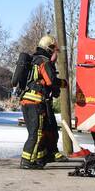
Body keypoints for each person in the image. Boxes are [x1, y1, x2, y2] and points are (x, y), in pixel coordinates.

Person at [19, 34, 64, 169]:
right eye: (52, 49)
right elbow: (51, 81)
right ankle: (27, 161)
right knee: (37, 133)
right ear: (48, 48)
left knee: (39, 131)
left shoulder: (33, 60)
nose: (53, 52)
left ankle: (39, 158)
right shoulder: (44, 61)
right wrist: (63, 83)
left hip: (26, 101)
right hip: (35, 102)